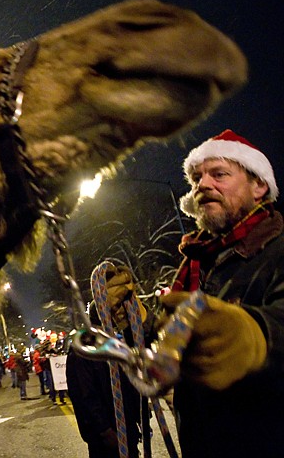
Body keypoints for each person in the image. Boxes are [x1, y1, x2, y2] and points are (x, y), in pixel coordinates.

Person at [154, 129, 283, 456]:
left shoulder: (279, 250)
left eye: (219, 174)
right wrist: (135, 318)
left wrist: (254, 334)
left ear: (259, 185)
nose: (203, 185)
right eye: (197, 178)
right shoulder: (199, 263)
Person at [67, 301, 144, 458]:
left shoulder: (115, 345)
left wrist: (139, 414)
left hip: (127, 428)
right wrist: (104, 430)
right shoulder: (84, 350)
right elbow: (85, 394)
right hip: (107, 436)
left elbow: (129, 383)